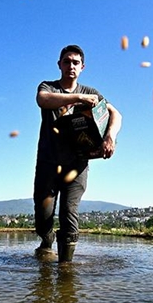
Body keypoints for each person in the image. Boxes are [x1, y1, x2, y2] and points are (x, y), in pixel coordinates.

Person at [33, 45, 122, 263]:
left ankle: (65, 269)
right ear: (59, 65)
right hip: (48, 162)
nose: (71, 66)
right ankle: (46, 242)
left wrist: (109, 137)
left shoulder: (93, 93)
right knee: (43, 217)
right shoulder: (48, 87)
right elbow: (43, 100)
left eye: (75, 62)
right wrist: (79, 99)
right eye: (66, 61)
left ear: (82, 67)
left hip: (77, 164)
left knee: (68, 213)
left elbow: (116, 114)